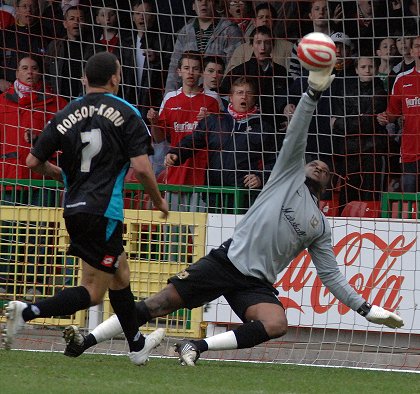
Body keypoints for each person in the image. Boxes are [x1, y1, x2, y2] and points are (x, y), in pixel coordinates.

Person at [62, 60, 404, 365]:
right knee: (157, 304)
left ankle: (195, 345)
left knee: (276, 324)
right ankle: (85, 340)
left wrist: (366, 309)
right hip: (226, 262)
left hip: (255, 282)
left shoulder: (320, 225)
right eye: (313, 162)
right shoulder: (284, 178)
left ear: (330, 182)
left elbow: (331, 276)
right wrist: (312, 93)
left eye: (324, 168)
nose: (318, 165)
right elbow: (298, 132)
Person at [2, 52, 169, 367]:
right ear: (115, 78)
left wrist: (63, 175)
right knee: (93, 291)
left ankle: (136, 347)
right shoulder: (126, 112)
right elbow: (143, 167)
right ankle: (27, 311)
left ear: (84, 79)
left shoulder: (66, 113)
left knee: (119, 274)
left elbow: (32, 162)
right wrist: (158, 201)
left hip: (74, 208)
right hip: (104, 210)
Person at [0, 54, 68, 299]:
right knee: (9, 232)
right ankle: (7, 282)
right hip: (10, 177)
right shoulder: (2, 102)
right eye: (24, 67)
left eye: (34, 68)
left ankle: (38, 283)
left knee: (41, 232)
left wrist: (40, 140)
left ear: (40, 73)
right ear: (16, 73)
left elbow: (67, 140)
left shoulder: (55, 103)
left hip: (43, 179)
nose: (29, 72)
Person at [166, 76, 277, 211]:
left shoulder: (264, 128)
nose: (244, 97)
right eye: (240, 93)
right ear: (231, 97)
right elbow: (192, 141)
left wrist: (260, 177)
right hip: (214, 195)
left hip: (246, 198)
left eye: (249, 93)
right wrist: (175, 153)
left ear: (254, 98)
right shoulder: (214, 121)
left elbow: (276, 161)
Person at [147, 51, 221, 211]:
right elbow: (159, 138)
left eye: (195, 68)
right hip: (175, 174)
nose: (191, 72)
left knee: (200, 232)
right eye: (186, 68)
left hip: (202, 176)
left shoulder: (212, 99)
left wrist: (211, 121)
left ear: (201, 72)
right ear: (179, 71)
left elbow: (221, 137)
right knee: (173, 233)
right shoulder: (170, 98)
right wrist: (153, 122)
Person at [332, 56, 390, 209]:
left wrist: (341, 122)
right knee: (347, 194)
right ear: (357, 70)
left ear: (376, 69)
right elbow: (339, 120)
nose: (367, 70)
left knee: (371, 195)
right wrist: (347, 121)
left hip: (373, 150)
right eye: (363, 67)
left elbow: (367, 122)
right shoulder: (346, 92)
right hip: (350, 151)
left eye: (370, 67)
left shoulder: (381, 92)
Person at [164, 0, 243, 94]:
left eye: (208, 0)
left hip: (220, 96)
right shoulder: (185, 32)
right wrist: (168, 97)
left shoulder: (230, 31)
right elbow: (174, 68)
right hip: (188, 96)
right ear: (193, 5)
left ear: (215, 3)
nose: (204, 3)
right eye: (199, 0)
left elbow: (236, 68)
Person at [377, 35, 420, 193]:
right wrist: (384, 117)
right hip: (410, 151)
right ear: (411, 51)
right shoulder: (402, 79)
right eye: (417, 46)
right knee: (410, 203)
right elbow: (393, 112)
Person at [220, 25, 288, 119]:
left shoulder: (281, 71)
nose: (263, 47)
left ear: (272, 45)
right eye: (258, 42)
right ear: (252, 45)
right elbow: (222, 95)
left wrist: (285, 117)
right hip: (246, 123)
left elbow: (288, 98)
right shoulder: (239, 71)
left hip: (275, 124)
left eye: (267, 43)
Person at [225, 2, 293, 74]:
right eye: (261, 17)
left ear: (274, 21)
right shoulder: (241, 50)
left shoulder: (288, 47)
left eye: (268, 17)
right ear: (254, 22)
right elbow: (231, 77)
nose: (265, 20)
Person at [44, 6, 94, 100]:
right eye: (72, 19)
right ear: (65, 23)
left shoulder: (94, 48)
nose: (76, 22)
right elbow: (47, 72)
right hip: (60, 101)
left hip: (86, 101)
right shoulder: (55, 46)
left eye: (80, 19)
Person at [0, 0, 49, 93]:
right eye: (24, 6)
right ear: (17, 9)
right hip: (8, 90)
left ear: (37, 9)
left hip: (39, 91)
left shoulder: (46, 34)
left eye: (32, 6)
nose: (29, 10)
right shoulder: (4, 35)